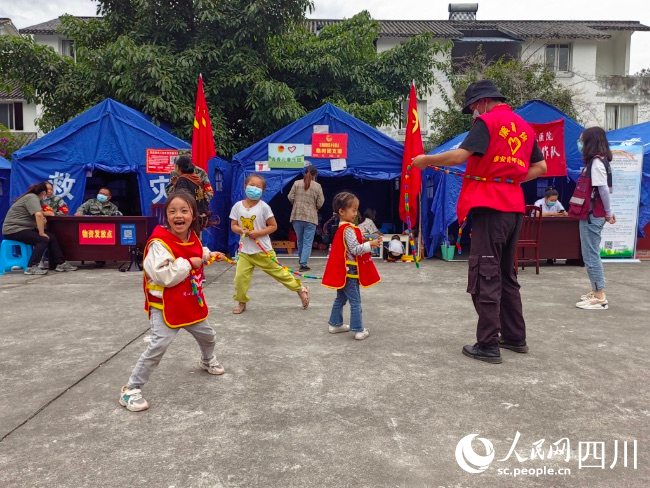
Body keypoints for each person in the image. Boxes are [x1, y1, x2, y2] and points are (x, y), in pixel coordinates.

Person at [412, 79, 547, 364]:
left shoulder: (487, 122)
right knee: (506, 273)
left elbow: (460, 156)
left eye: (473, 106)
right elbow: (541, 167)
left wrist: (426, 159)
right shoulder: (524, 127)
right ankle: (514, 336)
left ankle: (487, 344)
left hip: (490, 206)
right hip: (513, 207)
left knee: (486, 273)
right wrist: (508, 178)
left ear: (483, 102)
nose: (473, 111)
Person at [119, 190, 226, 412]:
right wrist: (190, 262)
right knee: (158, 345)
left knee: (208, 336)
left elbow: (195, 251)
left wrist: (207, 254)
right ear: (166, 216)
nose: (179, 215)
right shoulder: (159, 243)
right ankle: (131, 390)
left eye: (184, 211)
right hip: (166, 307)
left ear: (193, 215)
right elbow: (163, 276)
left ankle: (207, 360)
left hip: (189, 302)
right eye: (173, 211)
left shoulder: (192, 236)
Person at [230, 174, 310, 314]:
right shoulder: (237, 206)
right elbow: (234, 225)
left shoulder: (264, 207)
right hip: (245, 252)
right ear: (245, 187)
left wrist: (258, 233)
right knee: (240, 278)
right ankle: (241, 302)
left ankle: (300, 289)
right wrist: (241, 230)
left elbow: (273, 226)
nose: (254, 189)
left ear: (263, 191)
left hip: (263, 251)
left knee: (280, 273)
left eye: (258, 187)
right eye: (252, 185)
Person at [322, 192, 382, 341]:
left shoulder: (343, 228)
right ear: (341, 212)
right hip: (350, 272)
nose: (356, 213)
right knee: (355, 302)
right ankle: (358, 329)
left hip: (344, 272)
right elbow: (355, 249)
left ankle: (335, 324)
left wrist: (365, 239)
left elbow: (350, 245)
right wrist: (370, 244)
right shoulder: (348, 229)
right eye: (353, 210)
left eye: (356, 210)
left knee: (341, 299)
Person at [569, 127, 615, 310]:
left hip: (591, 215)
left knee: (590, 255)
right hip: (594, 213)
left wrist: (609, 212)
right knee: (591, 253)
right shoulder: (600, 161)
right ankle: (596, 290)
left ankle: (599, 296)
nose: (580, 143)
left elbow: (603, 189)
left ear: (590, 142)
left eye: (582, 140)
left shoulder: (596, 162)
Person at [2, 182, 77, 275]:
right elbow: (38, 214)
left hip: (24, 228)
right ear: (43, 193)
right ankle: (31, 267)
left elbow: (45, 212)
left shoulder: (38, 199)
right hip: (13, 230)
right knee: (43, 239)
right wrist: (41, 232)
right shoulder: (31, 197)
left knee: (51, 237)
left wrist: (46, 215)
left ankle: (60, 263)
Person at [288, 165, 325, 272]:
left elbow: (290, 196)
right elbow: (320, 202)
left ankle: (301, 260)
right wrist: (314, 208)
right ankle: (303, 264)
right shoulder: (317, 186)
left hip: (296, 216)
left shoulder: (296, 183)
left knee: (300, 240)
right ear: (315, 175)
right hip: (311, 217)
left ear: (304, 173)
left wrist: (296, 204)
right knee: (308, 241)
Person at [172, 155, 212, 229]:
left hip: (188, 220)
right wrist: (204, 212)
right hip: (198, 218)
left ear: (177, 167)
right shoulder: (196, 178)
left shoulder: (182, 180)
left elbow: (182, 202)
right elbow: (203, 198)